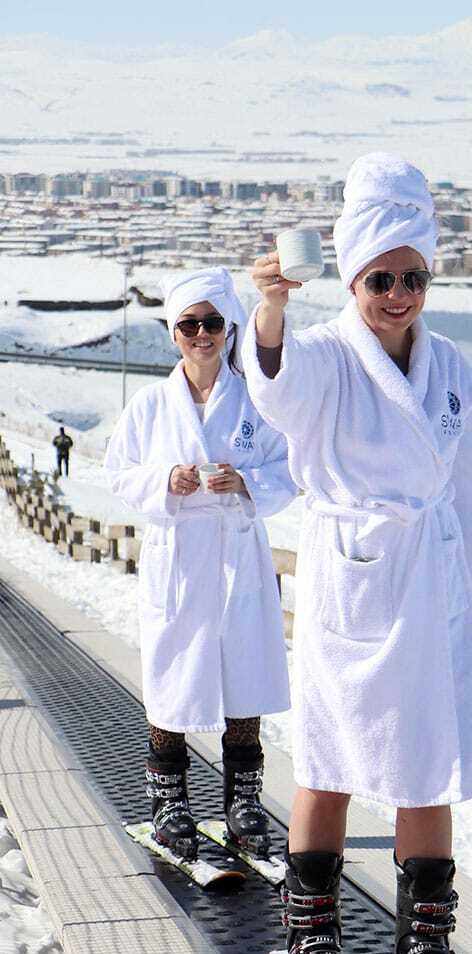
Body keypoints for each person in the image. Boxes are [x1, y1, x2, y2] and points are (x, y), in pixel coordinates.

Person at [243, 154, 472, 954]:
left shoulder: (447, 366)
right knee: (329, 756)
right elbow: (279, 397)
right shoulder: (326, 353)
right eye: (379, 279)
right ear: (351, 277)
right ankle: (313, 934)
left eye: (411, 276)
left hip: (433, 577)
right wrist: (272, 309)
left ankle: (426, 945)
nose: (397, 293)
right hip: (356, 573)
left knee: (427, 762)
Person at [105, 267, 296, 860]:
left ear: (230, 328)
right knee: (173, 674)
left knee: (245, 674)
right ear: (174, 332)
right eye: (190, 324)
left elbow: (290, 467)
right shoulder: (150, 406)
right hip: (179, 558)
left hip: (238, 552)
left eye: (213, 323)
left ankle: (242, 800)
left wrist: (247, 482)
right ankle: (169, 798)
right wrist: (165, 480)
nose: (202, 334)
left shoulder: (255, 402)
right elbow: (118, 473)